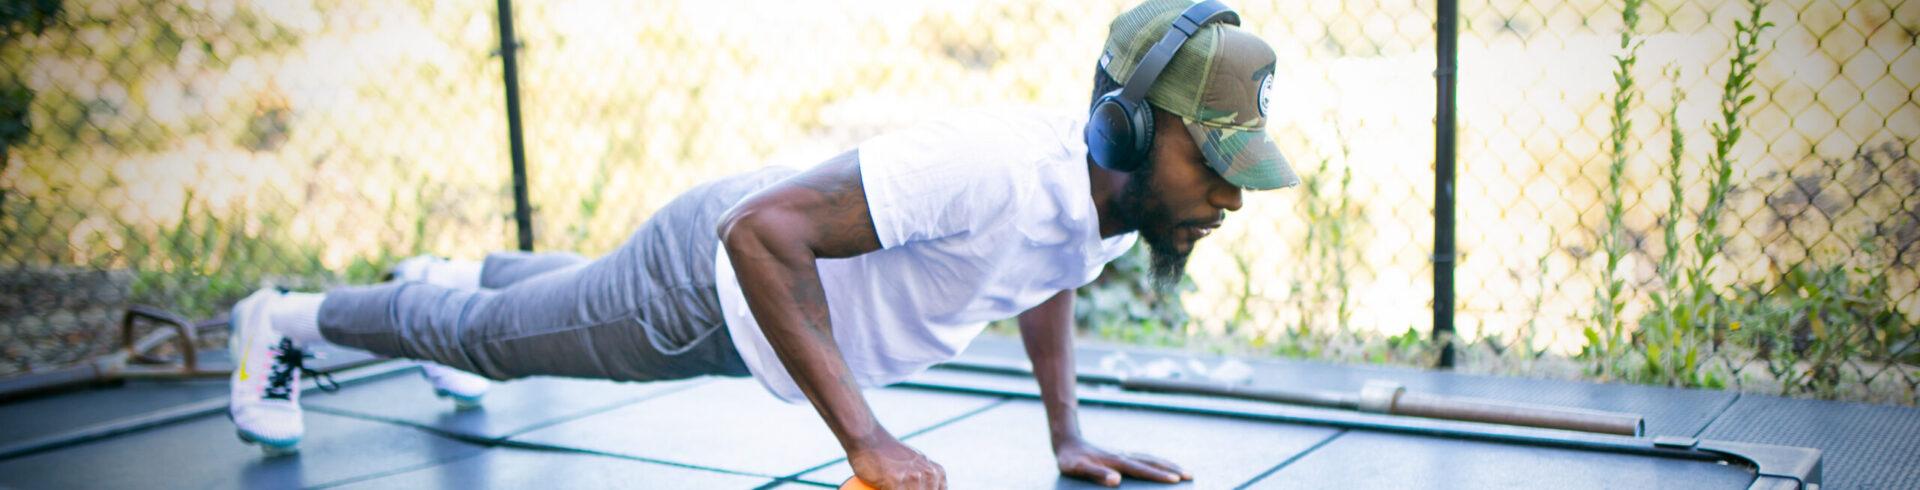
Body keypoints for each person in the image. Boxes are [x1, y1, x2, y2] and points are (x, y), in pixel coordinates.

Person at [225, 0, 1297, 487]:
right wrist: (866, 440)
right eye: (1210, 164)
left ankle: (444, 278)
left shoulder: (1107, 206)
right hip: (714, 284)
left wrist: (1067, 432)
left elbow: (1045, 275)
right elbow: (761, 231)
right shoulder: (993, 164)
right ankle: (283, 319)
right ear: (1124, 127)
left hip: (754, 289)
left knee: (550, 297)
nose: (1228, 197)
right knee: (497, 342)